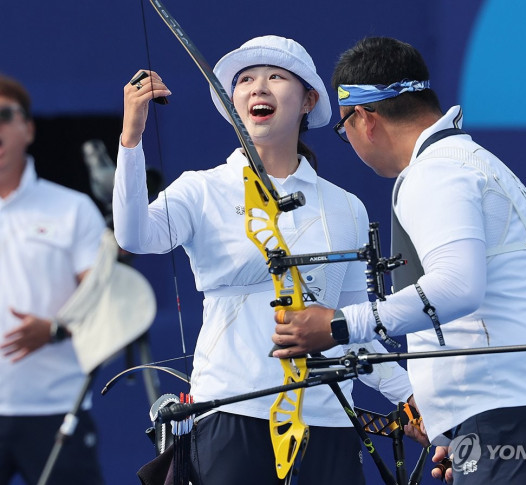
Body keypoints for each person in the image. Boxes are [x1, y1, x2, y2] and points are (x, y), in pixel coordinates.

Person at [271, 37, 526, 484]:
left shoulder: (434, 172)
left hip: (509, 418)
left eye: (342, 129)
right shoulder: (479, 163)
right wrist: (453, 424)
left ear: (363, 119)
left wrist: (338, 325)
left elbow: (457, 287)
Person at [113, 35, 414, 485]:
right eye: (246, 80)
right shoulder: (202, 189)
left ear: (309, 99)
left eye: (275, 77)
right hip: (231, 411)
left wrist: (410, 397)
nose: (258, 88)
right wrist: (131, 138)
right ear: (233, 101)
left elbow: (353, 327)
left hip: (330, 418)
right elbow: (135, 235)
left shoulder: (346, 206)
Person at [0, 74, 106, 484]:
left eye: (4, 115)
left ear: (28, 127)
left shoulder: (72, 208)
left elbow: (102, 299)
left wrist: (57, 329)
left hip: (56, 408)